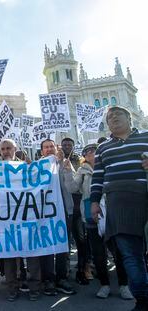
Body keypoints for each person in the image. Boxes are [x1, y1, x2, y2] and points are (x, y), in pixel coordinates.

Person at [91, 106, 148, 310]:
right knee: (131, 257)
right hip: (118, 205)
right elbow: (97, 177)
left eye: (118, 114)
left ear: (129, 118)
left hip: (144, 198)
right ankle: (142, 301)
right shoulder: (103, 148)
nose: (113, 118)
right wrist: (95, 202)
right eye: (109, 117)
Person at [0, 114, 41, 301]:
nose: (5, 151)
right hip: (3, 215)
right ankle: (12, 286)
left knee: (30, 252)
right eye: (3, 148)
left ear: (15, 149)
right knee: (10, 253)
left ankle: (34, 287)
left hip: (24, 214)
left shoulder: (25, 166)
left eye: (8, 148)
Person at [63, 143, 131, 299]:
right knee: (98, 254)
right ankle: (105, 285)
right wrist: (67, 171)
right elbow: (73, 188)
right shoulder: (82, 171)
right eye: (87, 152)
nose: (91, 153)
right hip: (92, 215)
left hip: (113, 214)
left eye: (94, 150)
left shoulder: (111, 166)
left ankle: (124, 285)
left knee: (118, 252)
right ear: (84, 156)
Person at [39, 139, 75, 296]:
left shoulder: (64, 163)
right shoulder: (37, 167)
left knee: (63, 247)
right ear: (41, 152)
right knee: (46, 247)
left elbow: (73, 186)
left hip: (64, 211)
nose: (48, 150)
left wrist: (65, 167)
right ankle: (48, 279)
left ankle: (62, 278)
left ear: (56, 148)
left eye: (51, 147)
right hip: (45, 213)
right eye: (45, 148)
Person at [61, 137, 90, 285]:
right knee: (64, 241)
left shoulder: (80, 161)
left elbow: (78, 182)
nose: (66, 147)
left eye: (69, 145)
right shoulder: (55, 161)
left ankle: (82, 269)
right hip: (63, 206)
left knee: (81, 240)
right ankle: (64, 271)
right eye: (64, 145)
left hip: (78, 206)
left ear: (73, 146)